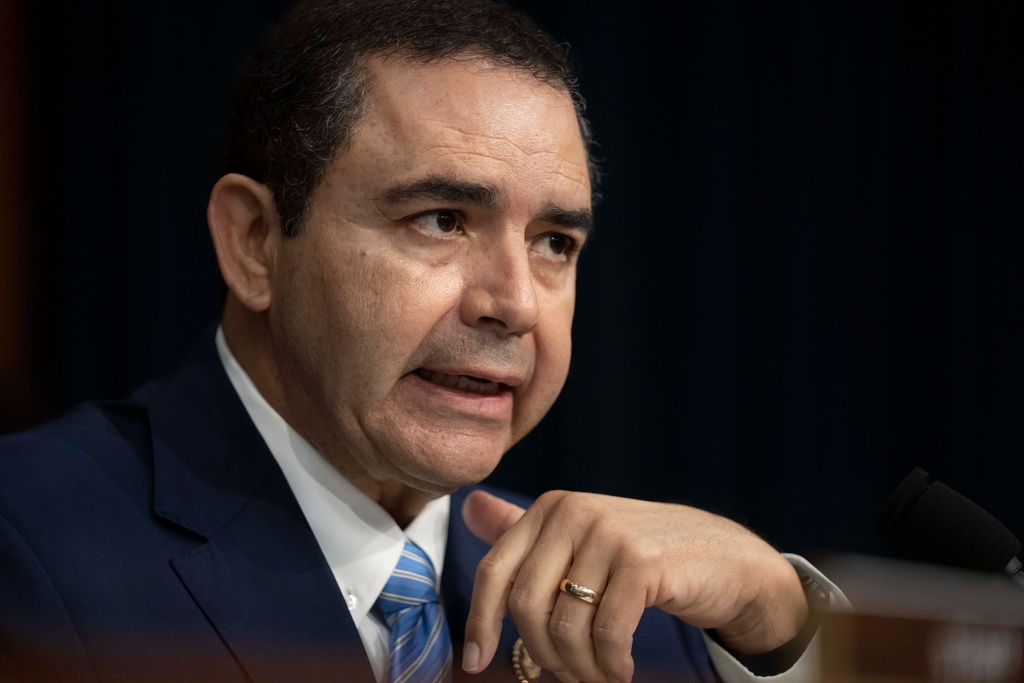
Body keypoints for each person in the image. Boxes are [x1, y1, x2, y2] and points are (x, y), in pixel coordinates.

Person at [0, 0, 842, 681]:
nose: (514, 303)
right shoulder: (33, 544)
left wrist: (777, 623)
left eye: (555, 242)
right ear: (255, 242)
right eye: (441, 220)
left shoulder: (639, 622)